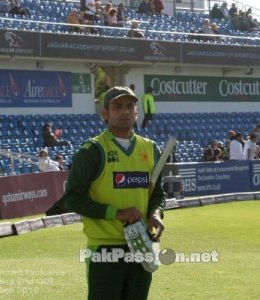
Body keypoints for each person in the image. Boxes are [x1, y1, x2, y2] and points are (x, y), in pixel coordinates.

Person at [62, 86, 165, 299]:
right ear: (105, 113)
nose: (125, 111)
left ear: (137, 112)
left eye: (130, 106)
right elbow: (72, 199)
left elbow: (157, 193)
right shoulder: (92, 150)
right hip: (105, 250)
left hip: (141, 247)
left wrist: (156, 212)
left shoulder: (151, 148)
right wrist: (116, 213)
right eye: (117, 106)